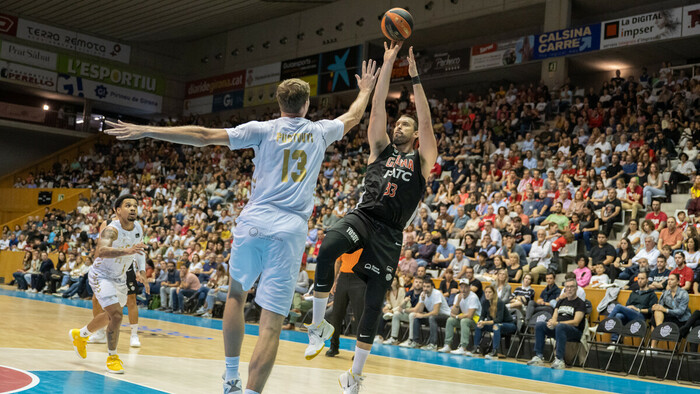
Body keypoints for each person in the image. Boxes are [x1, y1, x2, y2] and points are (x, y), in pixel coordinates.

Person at [107, 57, 380, 393]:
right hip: (290, 231)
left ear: (279, 104)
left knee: (236, 295)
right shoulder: (320, 131)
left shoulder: (263, 130)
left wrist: (148, 130)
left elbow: (204, 136)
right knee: (271, 325)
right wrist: (365, 89)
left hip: (253, 223)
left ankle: (231, 377)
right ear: (307, 105)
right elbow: (353, 116)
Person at [305, 43, 437, 393]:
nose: (400, 127)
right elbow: (376, 109)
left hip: (390, 234)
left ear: (415, 134)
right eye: (398, 124)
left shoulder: (422, 160)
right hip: (363, 217)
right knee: (328, 246)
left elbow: (425, 119)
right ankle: (319, 328)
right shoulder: (379, 148)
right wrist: (389, 63)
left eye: (406, 125)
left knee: (374, 306)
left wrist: (415, 78)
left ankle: (354, 377)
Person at [69, 195, 148, 374]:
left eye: (135, 205)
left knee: (109, 316)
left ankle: (80, 335)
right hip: (102, 275)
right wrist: (126, 251)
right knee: (117, 316)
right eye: (128, 205)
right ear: (117, 210)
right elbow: (101, 251)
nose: (133, 208)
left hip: (120, 277)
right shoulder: (111, 230)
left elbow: (139, 251)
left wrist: (141, 271)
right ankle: (113, 358)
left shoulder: (138, 228)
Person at [527, 277, 586, 370]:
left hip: (574, 332)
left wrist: (557, 323)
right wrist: (552, 322)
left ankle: (559, 359)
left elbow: (576, 322)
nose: (569, 289)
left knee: (560, 326)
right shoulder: (561, 301)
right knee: (540, 325)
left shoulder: (580, 303)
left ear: (576, 288)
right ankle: (539, 356)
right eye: (567, 287)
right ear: (564, 289)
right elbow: (555, 315)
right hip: (559, 328)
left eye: (572, 287)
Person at [326, 250, 365, 357]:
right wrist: (334, 281)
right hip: (343, 278)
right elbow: (337, 262)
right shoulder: (346, 242)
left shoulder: (365, 240)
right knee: (336, 314)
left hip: (359, 279)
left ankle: (359, 351)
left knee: (359, 316)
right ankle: (334, 347)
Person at [606, 271, 657, 348]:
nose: (640, 280)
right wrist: (631, 308)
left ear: (647, 280)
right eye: (638, 278)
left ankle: (605, 324)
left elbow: (652, 310)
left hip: (641, 316)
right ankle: (614, 341)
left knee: (618, 307)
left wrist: (638, 309)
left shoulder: (652, 294)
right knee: (618, 315)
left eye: (642, 278)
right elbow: (627, 306)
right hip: (630, 314)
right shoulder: (633, 293)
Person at [404, 276, 451, 351]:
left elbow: (435, 312)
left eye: (428, 287)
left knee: (432, 317)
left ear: (432, 287)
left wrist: (422, 315)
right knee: (417, 318)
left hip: (446, 317)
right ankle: (416, 342)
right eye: (424, 286)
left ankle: (433, 344)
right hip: (433, 317)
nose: (425, 288)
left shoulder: (437, 294)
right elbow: (420, 310)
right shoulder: (423, 294)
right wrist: (422, 301)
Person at [471, 285, 515, 359]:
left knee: (496, 326)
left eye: (489, 292)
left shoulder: (499, 302)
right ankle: (476, 348)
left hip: (509, 325)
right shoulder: (485, 302)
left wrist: (485, 323)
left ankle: (495, 351)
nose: (487, 294)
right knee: (479, 326)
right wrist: (480, 322)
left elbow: (499, 320)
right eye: (486, 292)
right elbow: (482, 316)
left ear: (494, 293)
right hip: (496, 324)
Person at [440, 278, 481, 354]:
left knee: (464, 321)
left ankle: (463, 347)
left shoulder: (473, 297)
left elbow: (470, 316)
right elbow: (453, 312)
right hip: (464, 317)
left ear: (469, 287)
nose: (463, 289)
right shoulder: (458, 296)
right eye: (461, 287)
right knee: (450, 320)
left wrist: (457, 317)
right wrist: (458, 302)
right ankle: (447, 345)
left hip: (477, 320)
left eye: (465, 287)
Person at [650, 273, 690, 349]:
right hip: (669, 317)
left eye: (672, 279)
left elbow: (681, 312)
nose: (669, 281)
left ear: (678, 282)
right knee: (656, 314)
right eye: (668, 279)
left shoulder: (684, 294)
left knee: (655, 319)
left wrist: (665, 310)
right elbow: (660, 306)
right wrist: (656, 307)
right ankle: (654, 345)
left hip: (680, 320)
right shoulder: (665, 293)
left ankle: (655, 342)